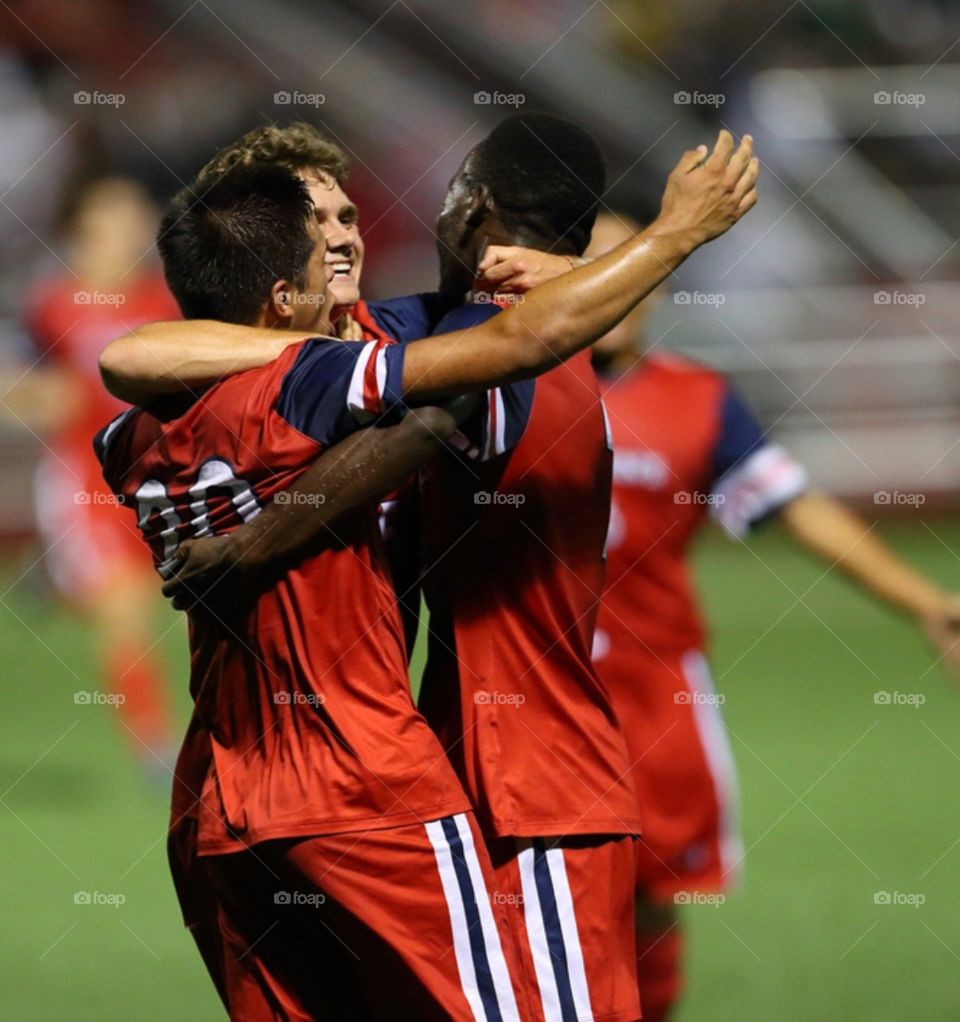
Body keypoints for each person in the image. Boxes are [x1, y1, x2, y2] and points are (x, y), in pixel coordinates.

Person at [101, 120, 758, 1022]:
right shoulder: (354, 366)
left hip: (469, 788)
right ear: (276, 269)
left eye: (347, 212)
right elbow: (460, 378)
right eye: (317, 219)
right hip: (397, 786)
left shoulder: (145, 429)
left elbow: (134, 356)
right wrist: (669, 237)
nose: (346, 235)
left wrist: (251, 539)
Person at [585, 210, 960, 1021]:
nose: (613, 283)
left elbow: (797, 508)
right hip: (514, 692)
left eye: (633, 263)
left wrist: (928, 601)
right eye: (589, 261)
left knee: (652, 901)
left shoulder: (698, 401)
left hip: (655, 697)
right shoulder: (500, 388)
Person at [13, 175, 180, 770]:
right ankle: (156, 753)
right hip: (86, 480)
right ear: (86, 226)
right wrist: (42, 397)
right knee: (123, 607)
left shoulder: (165, 301)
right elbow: (22, 386)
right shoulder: (52, 303)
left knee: (201, 609)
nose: (133, 226)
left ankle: (229, 732)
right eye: (118, 214)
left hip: (165, 477)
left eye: (137, 214)